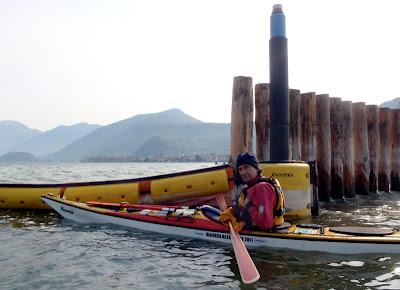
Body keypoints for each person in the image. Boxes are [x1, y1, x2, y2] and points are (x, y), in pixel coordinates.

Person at [220, 152, 285, 232]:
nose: (243, 172)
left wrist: (249, 207)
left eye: (246, 167)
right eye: (240, 169)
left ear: (256, 168)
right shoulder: (253, 187)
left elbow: (266, 224)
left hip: (263, 236)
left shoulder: (261, 188)